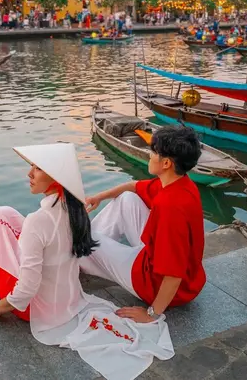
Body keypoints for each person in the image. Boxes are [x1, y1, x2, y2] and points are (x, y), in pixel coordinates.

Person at [0, 143, 173, 379]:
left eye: (37, 168)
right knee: (2, 214)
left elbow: (27, 288)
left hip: (34, 309)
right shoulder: (76, 210)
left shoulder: (38, 221)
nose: (29, 174)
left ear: (55, 179)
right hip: (68, 300)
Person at [80, 126, 207, 318]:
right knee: (127, 198)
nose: (149, 154)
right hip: (173, 271)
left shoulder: (170, 207)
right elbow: (133, 186)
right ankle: (88, 252)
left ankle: (80, 253)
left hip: (152, 283)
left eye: (153, 151)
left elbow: (173, 274)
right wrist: (99, 197)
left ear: (165, 163)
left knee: (79, 236)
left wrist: (152, 313)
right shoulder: (181, 183)